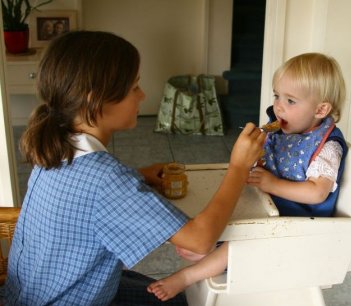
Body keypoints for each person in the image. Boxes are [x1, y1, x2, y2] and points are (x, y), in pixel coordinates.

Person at [4, 31, 265, 306]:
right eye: (134, 88)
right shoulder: (106, 180)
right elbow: (199, 240)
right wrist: (238, 166)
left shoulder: (54, 145)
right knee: (183, 299)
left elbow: (82, 197)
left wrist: (137, 176)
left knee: (157, 288)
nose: (142, 95)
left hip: (31, 294)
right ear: (96, 100)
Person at [147, 52, 348, 301]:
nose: (278, 106)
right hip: (269, 208)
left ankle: (189, 275)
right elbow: (271, 159)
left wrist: (272, 183)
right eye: (277, 96)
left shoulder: (327, 146)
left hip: (296, 224)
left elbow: (317, 192)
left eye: (290, 100)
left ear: (321, 109)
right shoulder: (284, 128)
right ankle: (209, 243)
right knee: (226, 206)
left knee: (236, 245)